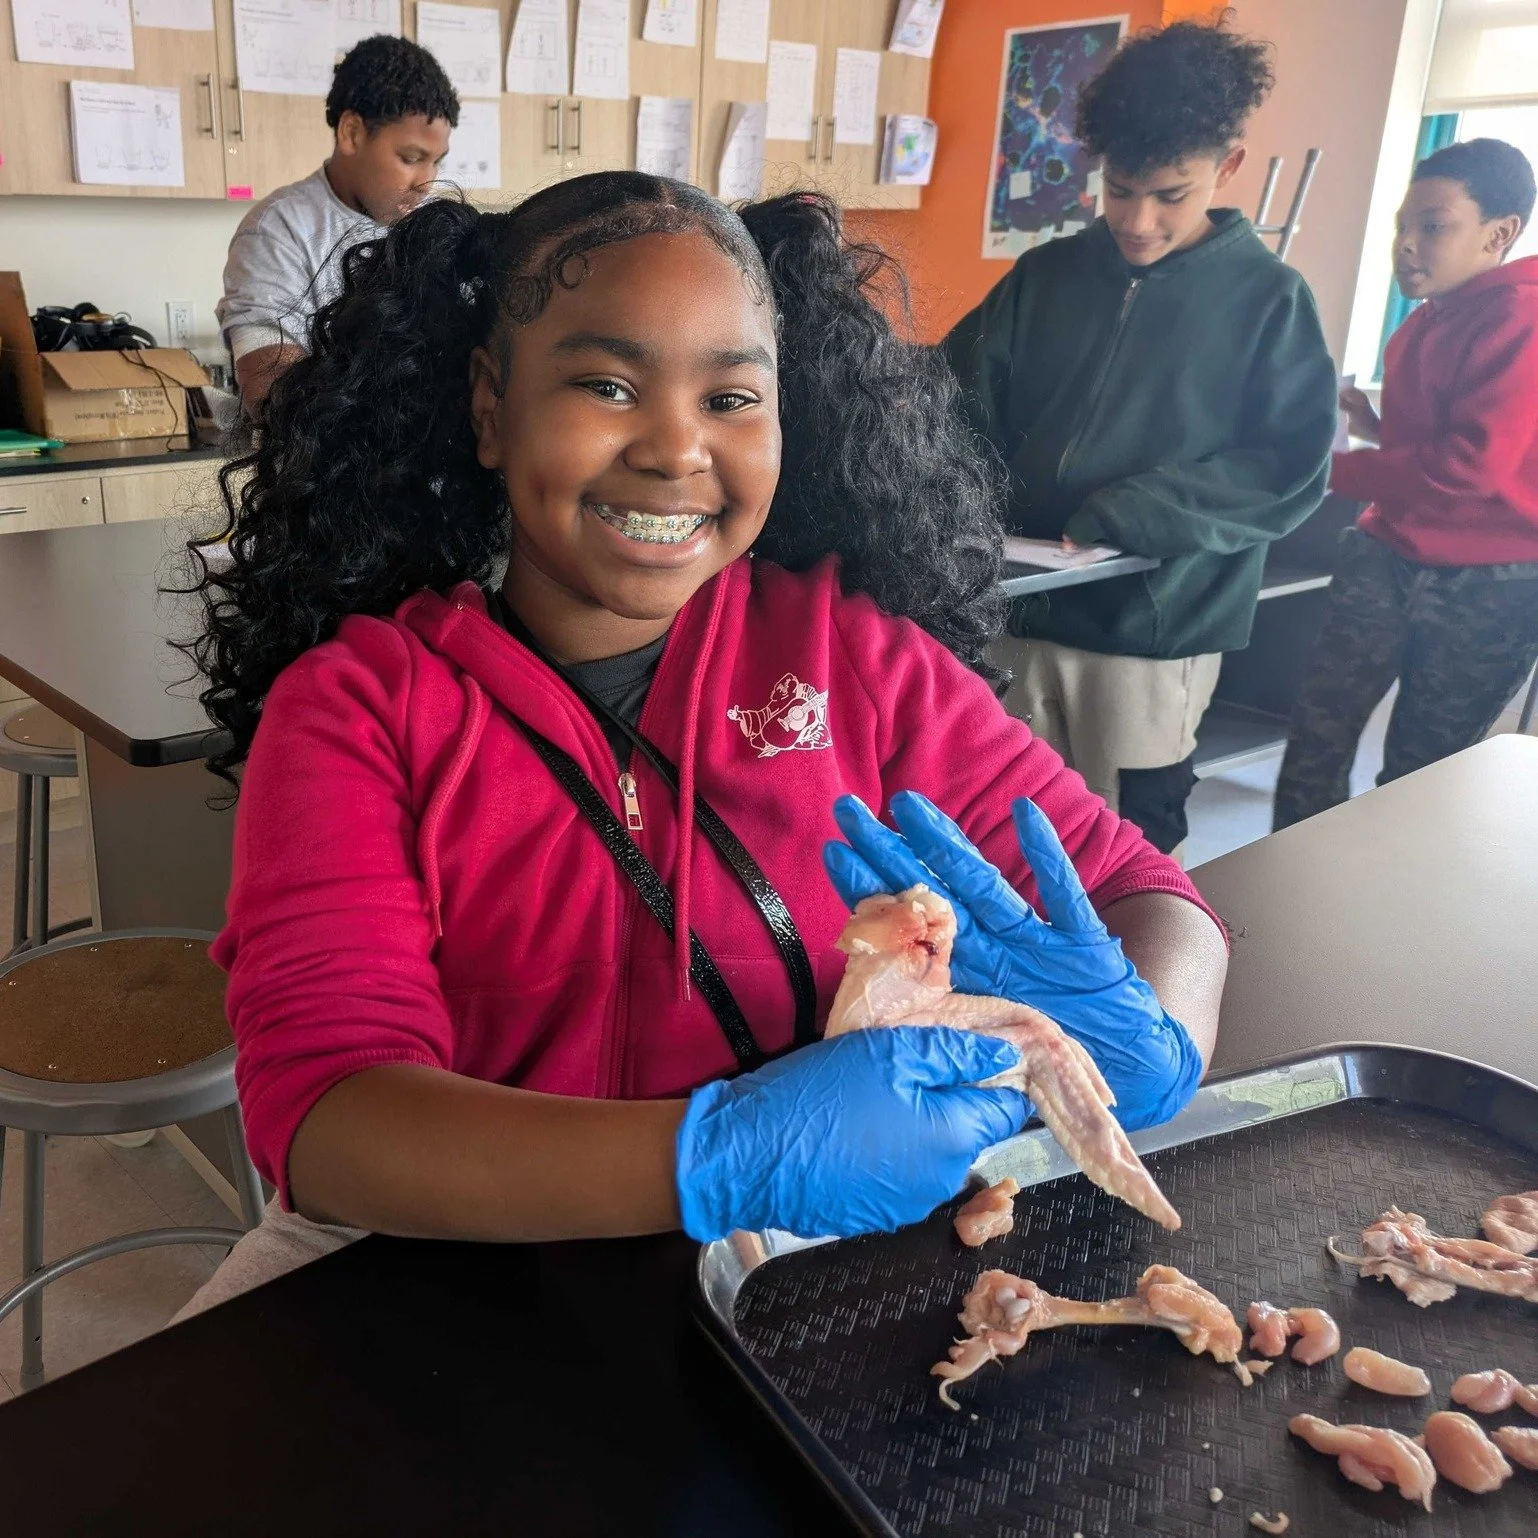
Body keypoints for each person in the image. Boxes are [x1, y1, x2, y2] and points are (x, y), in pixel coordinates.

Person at [178, 172, 1228, 1313]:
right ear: (489, 406)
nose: (677, 448)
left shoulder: (858, 661)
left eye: (730, 397)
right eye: (606, 384)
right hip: (453, 1286)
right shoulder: (360, 710)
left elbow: (1146, 891)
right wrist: (713, 1156)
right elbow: (326, 1115)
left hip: (800, 1278)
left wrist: (1150, 1032)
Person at [943, 18, 1336, 856]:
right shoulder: (1045, 276)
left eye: (1170, 195)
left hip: (1150, 630)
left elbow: (1288, 470)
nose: (1138, 219)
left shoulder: (1269, 299)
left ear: (1228, 166)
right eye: (1119, 190)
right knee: (1002, 830)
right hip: (1014, 612)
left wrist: (1133, 512)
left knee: (1126, 847)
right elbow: (951, 407)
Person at [1273, 139, 1538, 829]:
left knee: (1421, 775)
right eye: (1403, 225)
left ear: (1499, 234)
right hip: (1386, 553)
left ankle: (1385, 897)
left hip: (1488, 583)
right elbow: (1439, 443)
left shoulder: (1522, 317)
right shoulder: (1424, 321)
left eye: (1434, 225)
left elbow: (1467, 468)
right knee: (1315, 739)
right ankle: (1291, 882)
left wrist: (1325, 471)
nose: (1408, 244)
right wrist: (1372, 425)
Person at [216, 34, 459, 417]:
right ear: (351, 133)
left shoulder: (429, 228)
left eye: (436, 161)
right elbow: (272, 398)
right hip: (328, 458)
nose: (426, 183)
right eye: (411, 158)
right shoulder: (277, 230)